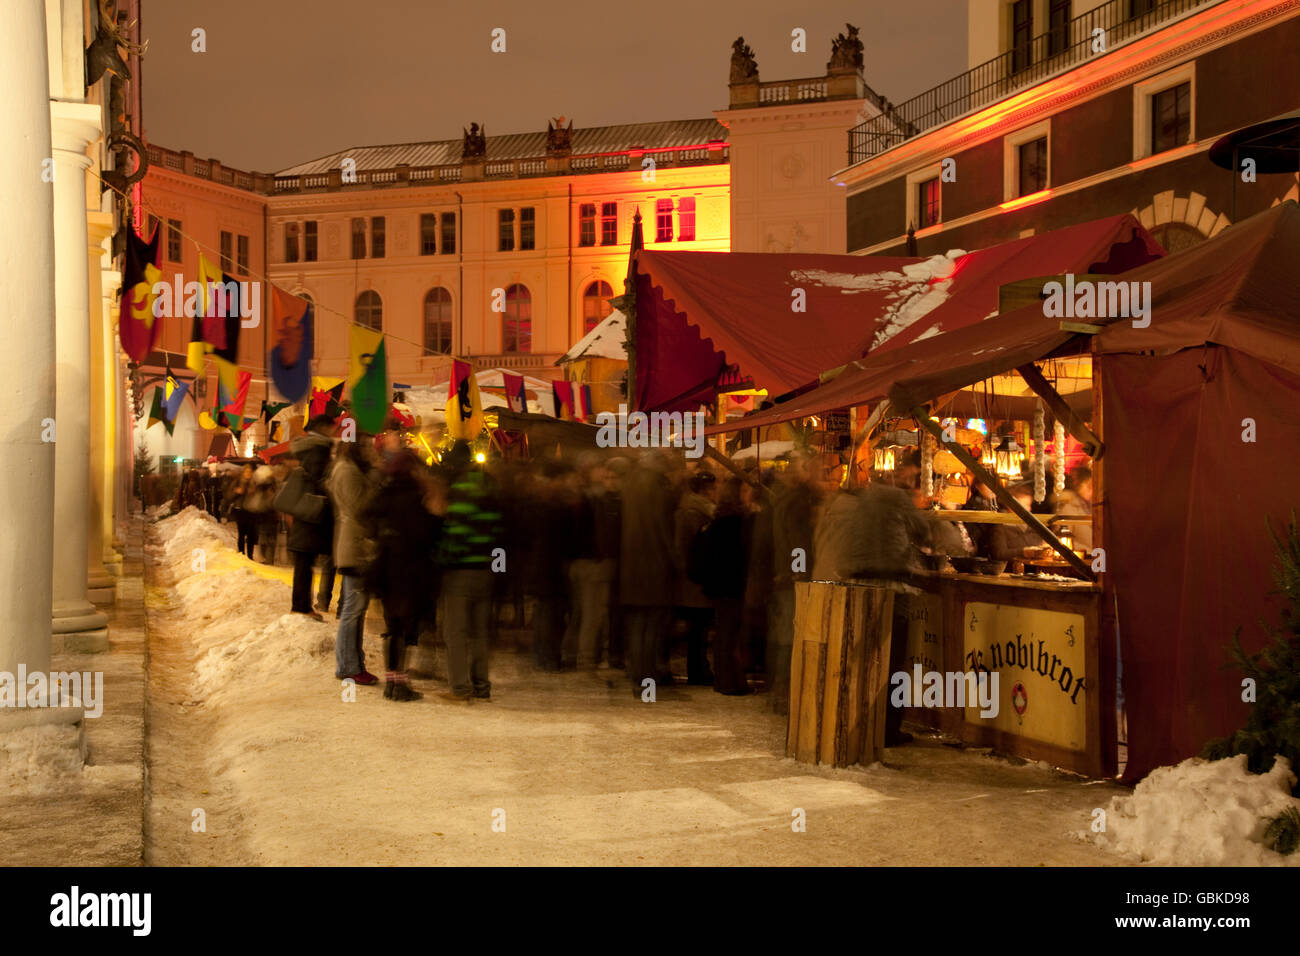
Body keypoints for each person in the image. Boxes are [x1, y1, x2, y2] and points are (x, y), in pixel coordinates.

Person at [365, 436, 442, 701]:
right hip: (410, 571)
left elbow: (369, 521)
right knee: (407, 628)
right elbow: (429, 535)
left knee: (393, 628)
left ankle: (392, 682)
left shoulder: (384, 494)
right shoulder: (417, 499)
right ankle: (400, 684)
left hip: (387, 569)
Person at [437, 440, 502, 702]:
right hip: (486, 569)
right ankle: (482, 685)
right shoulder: (490, 487)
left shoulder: (461, 488)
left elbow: (456, 533)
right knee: (479, 634)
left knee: (455, 632)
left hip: (460, 571)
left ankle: (460, 688)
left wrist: (442, 559)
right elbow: (497, 531)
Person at [619, 451, 677, 697]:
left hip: (632, 566)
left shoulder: (630, 485)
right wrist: (675, 559)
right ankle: (646, 678)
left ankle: (637, 674)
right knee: (652, 626)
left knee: (637, 624)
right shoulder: (657, 489)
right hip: (653, 565)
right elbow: (662, 528)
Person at [767, 453, 820, 714]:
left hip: (783, 574)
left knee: (785, 634)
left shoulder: (782, 500)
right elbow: (798, 541)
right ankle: (785, 694)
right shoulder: (798, 502)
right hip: (792, 578)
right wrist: (799, 573)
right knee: (792, 635)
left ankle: (779, 693)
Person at [692, 476, 754, 695]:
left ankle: (726, 680)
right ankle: (729, 682)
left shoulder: (719, 519)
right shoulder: (735, 522)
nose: (749, 495)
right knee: (729, 634)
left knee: (724, 633)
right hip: (730, 585)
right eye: (745, 491)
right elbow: (737, 557)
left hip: (720, 585)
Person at [328, 437, 379, 686]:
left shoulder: (348, 469)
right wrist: (376, 481)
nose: (371, 450)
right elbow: (361, 507)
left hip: (355, 545)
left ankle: (353, 663)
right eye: (367, 446)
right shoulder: (348, 471)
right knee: (353, 609)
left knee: (356, 609)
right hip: (355, 546)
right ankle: (348, 666)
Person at [287, 416, 336, 620]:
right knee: (305, 563)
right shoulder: (319, 450)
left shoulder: (308, 449)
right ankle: (301, 606)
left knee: (304, 562)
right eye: (331, 428)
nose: (333, 432)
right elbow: (320, 482)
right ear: (323, 428)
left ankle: (301, 605)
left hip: (304, 514)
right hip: (312, 516)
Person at [674, 471, 718, 685]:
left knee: (697, 628)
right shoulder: (697, 513)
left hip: (691, 577)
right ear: (706, 489)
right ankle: (698, 670)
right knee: (698, 628)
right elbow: (694, 547)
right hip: (696, 578)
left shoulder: (688, 510)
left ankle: (698, 668)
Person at [986, 483, 1049, 562]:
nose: (1029, 509)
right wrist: (1023, 552)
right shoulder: (1000, 524)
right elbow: (999, 554)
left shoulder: (1030, 524)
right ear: (1011, 505)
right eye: (1025, 505)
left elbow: (1039, 541)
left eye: (1029, 505)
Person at [1051, 465, 1093, 552]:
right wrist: (1088, 551)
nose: (1092, 490)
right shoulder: (1067, 508)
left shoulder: (1092, 506)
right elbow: (1062, 540)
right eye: (1089, 486)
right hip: (1081, 559)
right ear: (1078, 485)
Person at [225, 464, 258, 559]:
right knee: (241, 534)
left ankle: (250, 556)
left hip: (251, 510)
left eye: (249, 472)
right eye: (246, 472)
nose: (248, 474)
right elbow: (229, 496)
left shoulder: (254, 483)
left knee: (251, 534)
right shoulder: (238, 482)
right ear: (243, 473)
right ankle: (241, 553)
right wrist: (236, 492)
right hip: (240, 510)